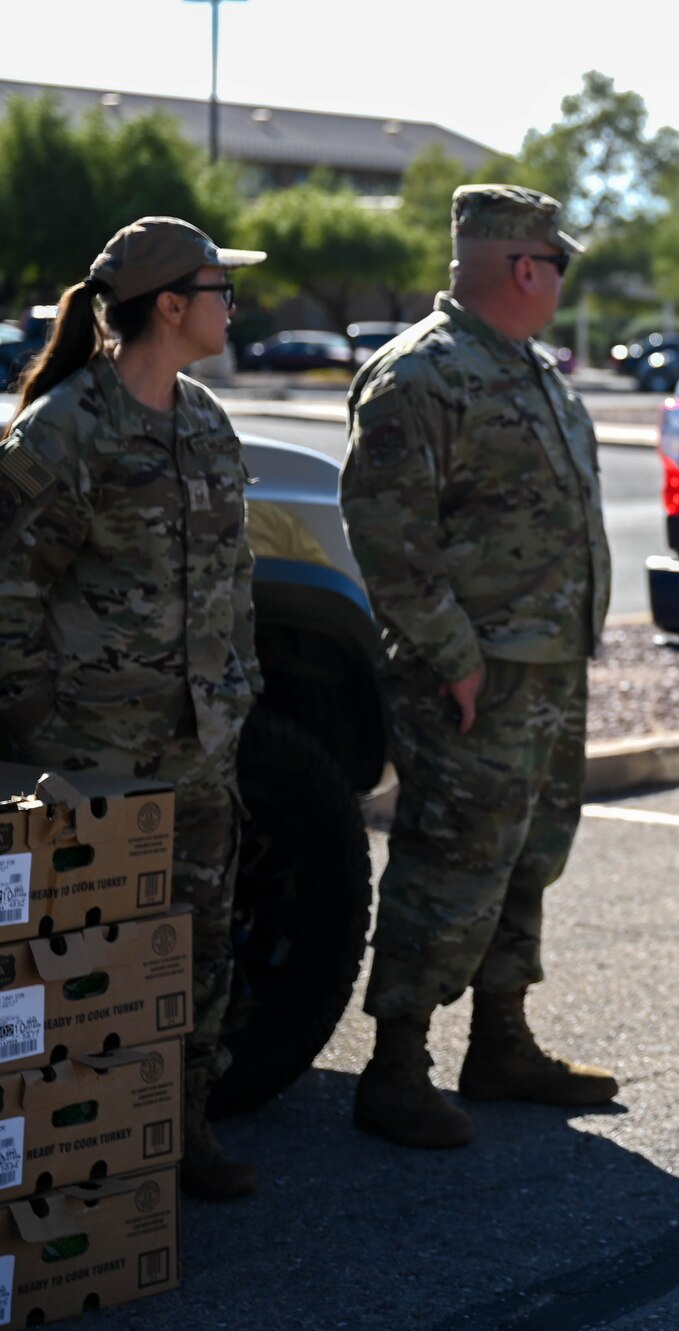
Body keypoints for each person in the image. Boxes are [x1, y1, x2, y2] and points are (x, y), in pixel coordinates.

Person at [341, 185, 615, 1149]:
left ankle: (501, 1042)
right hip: (473, 676)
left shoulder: (532, 371)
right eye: (557, 263)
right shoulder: (420, 376)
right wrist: (455, 659)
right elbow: (389, 538)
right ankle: (395, 1066)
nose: (559, 280)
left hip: (545, 668)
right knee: (446, 862)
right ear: (524, 268)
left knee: (528, 858)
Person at [0, 217, 266, 1199]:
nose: (231, 306)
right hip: (92, 754)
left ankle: (182, 1132)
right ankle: (88, 1158)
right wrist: (35, 739)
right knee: (91, 963)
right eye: (218, 289)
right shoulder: (65, 429)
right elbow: (12, 595)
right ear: (169, 304)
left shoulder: (202, 418)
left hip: (200, 741)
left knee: (195, 939)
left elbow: (233, 580)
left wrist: (238, 689)